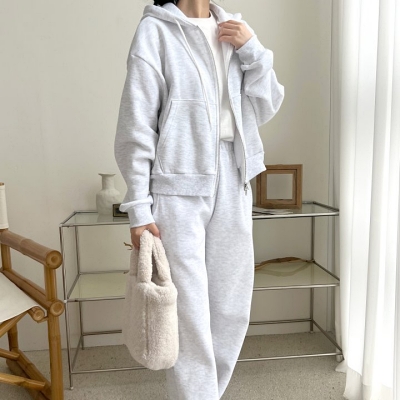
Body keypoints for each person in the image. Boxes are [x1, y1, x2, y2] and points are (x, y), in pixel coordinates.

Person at [114, 0, 284, 398]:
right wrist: (138, 206)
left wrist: (253, 51)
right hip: (177, 185)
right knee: (188, 313)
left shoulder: (235, 31)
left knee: (231, 308)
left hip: (234, 178)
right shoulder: (156, 31)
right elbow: (136, 123)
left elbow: (266, 105)